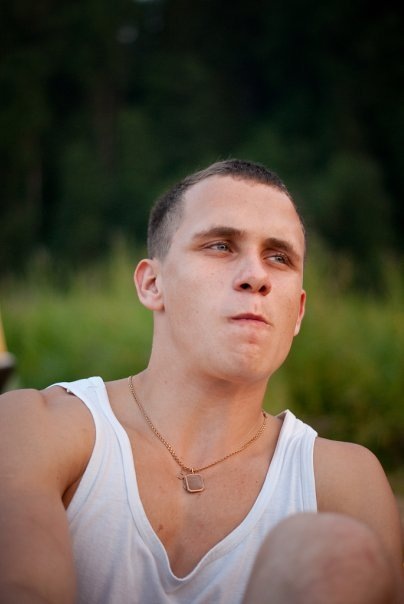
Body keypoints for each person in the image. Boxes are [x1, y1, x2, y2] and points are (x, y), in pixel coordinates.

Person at [0, 159, 402, 604]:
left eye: (279, 257)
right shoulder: (37, 428)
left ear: (298, 312)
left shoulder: (343, 482)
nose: (257, 277)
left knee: (334, 550)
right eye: (221, 246)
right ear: (152, 284)